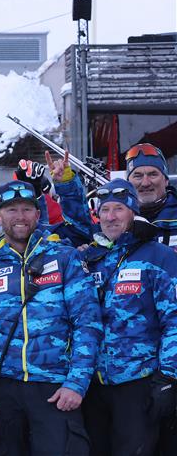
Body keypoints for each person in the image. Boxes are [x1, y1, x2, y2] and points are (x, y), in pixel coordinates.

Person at [0, 180, 102, 456]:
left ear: (38, 214)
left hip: (54, 389)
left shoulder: (64, 257)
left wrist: (76, 382)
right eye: (12, 210)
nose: (20, 216)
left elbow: (88, 323)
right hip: (1, 390)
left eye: (27, 209)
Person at [79, 179, 177, 456]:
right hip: (93, 384)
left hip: (139, 382)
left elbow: (174, 321)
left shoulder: (158, 256)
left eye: (118, 209)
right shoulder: (91, 259)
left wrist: (168, 376)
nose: (110, 217)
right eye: (105, 209)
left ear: (133, 211)